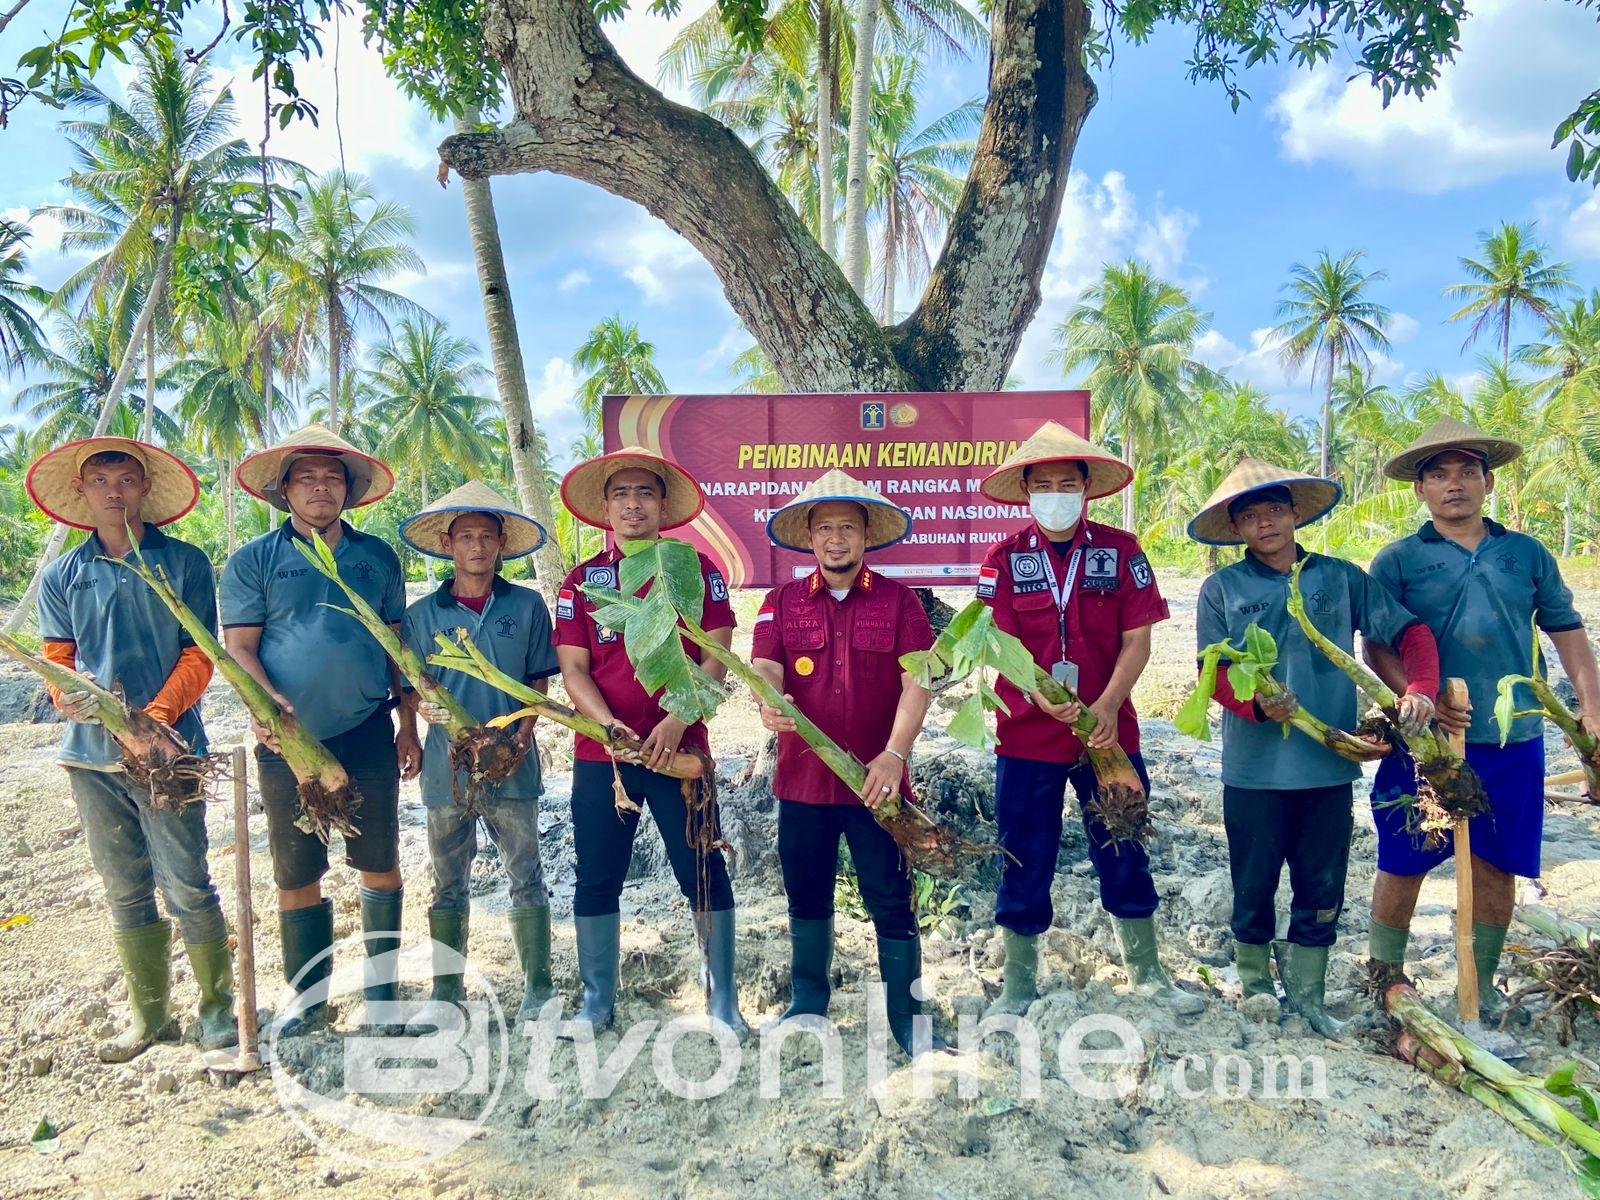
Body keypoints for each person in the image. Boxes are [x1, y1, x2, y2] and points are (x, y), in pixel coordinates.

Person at [1190, 458, 1439, 1038]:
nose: (1265, 524)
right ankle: (1255, 987)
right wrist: (1256, 704)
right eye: (1250, 516)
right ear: (1237, 529)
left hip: (1329, 767)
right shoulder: (1222, 588)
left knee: (1321, 885)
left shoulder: (1340, 578)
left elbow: (1410, 633)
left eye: (1275, 510)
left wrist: (1420, 688)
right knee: (1252, 884)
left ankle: (1308, 996)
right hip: (1253, 771)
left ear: (1295, 513)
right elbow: (1213, 674)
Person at [1362, 417, 1600, 1019]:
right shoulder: (1398, 561)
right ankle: (1385, 973)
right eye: (1437, 475)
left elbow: (1566, 629)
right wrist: (1418, 692)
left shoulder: (1525, 554)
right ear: (1420, 491)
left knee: (1498, 862)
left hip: (1513, 734)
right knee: (1404, 856)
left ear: (1488, 482)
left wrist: (1592, 709)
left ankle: (1482, 982)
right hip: (1423, 740)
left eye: (1467, 471)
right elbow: (1379, 644)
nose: (1454, 485)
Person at [977, 420, 1203, 1017]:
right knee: (1024, 850)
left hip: (1110, 735)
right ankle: (1019, 984)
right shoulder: (1000, 560)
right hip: (1027, 735)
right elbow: (995, 641)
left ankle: (1148, 974)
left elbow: (1139, 640)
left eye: (1066, 483)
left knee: (1125, 843)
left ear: (1086, 489)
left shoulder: (1122, 552)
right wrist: (1034, 693)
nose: (1056, 493)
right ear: (1027, 492)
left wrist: (1105, 705)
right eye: (1043, 484)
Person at [30, 437, 235, 1061]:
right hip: (91, 756)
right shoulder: (63, 574)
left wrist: (153, 719)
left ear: (145, 489)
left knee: (189, 882)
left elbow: (201, 654)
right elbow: (57, 661)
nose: (114, 492)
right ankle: (150, 1017)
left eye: (126, 480)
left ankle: (217, 1011)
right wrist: (71, 698)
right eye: (101, 482)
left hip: (172, 753)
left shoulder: (187, 563)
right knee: (124, 886)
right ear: (82, 493)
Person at [222, 424, 419, 1035]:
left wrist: (408, 725)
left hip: (366, 729)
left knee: (379, 862)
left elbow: (397, 648)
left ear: (348, 491)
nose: (320, 487)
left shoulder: (377, 558)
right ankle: (308, 1001)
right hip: (289, 741)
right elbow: (240, 648)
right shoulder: (255, 560)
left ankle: (383, 996)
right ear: (284, 489)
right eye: (305, 477)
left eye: (332, 477)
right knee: (297, 870)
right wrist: (271, 707)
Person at [555, 446, 746, 1037]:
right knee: (597, 875)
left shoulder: (697, 569)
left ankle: (721, 1002)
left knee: (703, 869)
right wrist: (609, 727)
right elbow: (574, 669)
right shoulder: (584, 581)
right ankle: (596, 1002)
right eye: (621, 494)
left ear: (664, 505)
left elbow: (716, 654)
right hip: (604, 759)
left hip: (681, 752)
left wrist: (677, 716)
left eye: (645, 493)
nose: (633, 504)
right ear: (606, 508)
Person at [751, 469, 941, 1056]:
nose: (837, 539)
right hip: (803, 781)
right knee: (806, 894)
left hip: (878, 784)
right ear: (810, 537)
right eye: (826, 528)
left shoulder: (902, 600)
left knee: (890, 896)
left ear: (866, 537)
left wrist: (894, 753)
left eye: (849, 529)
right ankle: (809, 1001)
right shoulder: (779, 601)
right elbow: (765, 667)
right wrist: (768, 702)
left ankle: (907, 1018)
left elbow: (921, 680)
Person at [398, 481, 559, 1024]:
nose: (476, 547)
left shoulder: (528, 605)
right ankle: (447, 995)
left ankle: (538, 989)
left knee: (526, 874)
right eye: (465, 537)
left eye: (486, 537)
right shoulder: (423, 615)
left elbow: (538, 683)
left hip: (513, 764)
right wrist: (420, 715)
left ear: (500, 544)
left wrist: (521, 739)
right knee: (447, 881)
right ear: (448, 544)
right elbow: (413, 685)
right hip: (448, 770)